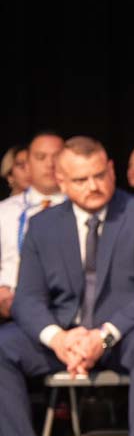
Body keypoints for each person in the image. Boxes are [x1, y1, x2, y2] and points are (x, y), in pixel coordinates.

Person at [0, 136, 134, 436]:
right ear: (61, 181)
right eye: (80, 180)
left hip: (125, 334)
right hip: (66, 338)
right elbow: (28, 298)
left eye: (99, 175)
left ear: (111, 170)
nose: (93, 186)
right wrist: (58, 339)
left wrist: (103, 336)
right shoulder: (44, 225)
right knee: (2, 346)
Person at [0, 133, 66, 320]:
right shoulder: (5, 211)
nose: (50, 164)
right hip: (11, 309)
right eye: (41, 157)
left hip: (71, 308)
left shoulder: (85, 209)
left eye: (57, 156)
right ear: (27, 164)